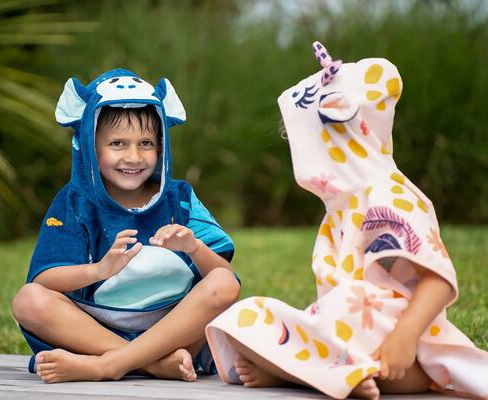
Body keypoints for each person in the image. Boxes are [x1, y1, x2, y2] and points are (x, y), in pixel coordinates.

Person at [205, 42, 488, 400]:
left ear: (341, 135)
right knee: (243, 318)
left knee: (346, 301)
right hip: (351, 333)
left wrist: (405, 336)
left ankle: (310, 371)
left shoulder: (388, 195)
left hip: (403, 344)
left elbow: (438, 278)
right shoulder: (343, 207)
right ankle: (321, 371)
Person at [11, 69, 240, 383]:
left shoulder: (180, 197)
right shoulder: (75, 202)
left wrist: (193, 247)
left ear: (161, 147)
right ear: (91, 146)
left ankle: (108, 365)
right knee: (28, 300)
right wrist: (100, 270)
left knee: (225, 285)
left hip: (175, 328)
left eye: (145, 143)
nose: (133, 157)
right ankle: (152, 364)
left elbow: (224, 278)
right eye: (117, 143)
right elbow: (45, 278)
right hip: (95, 330)